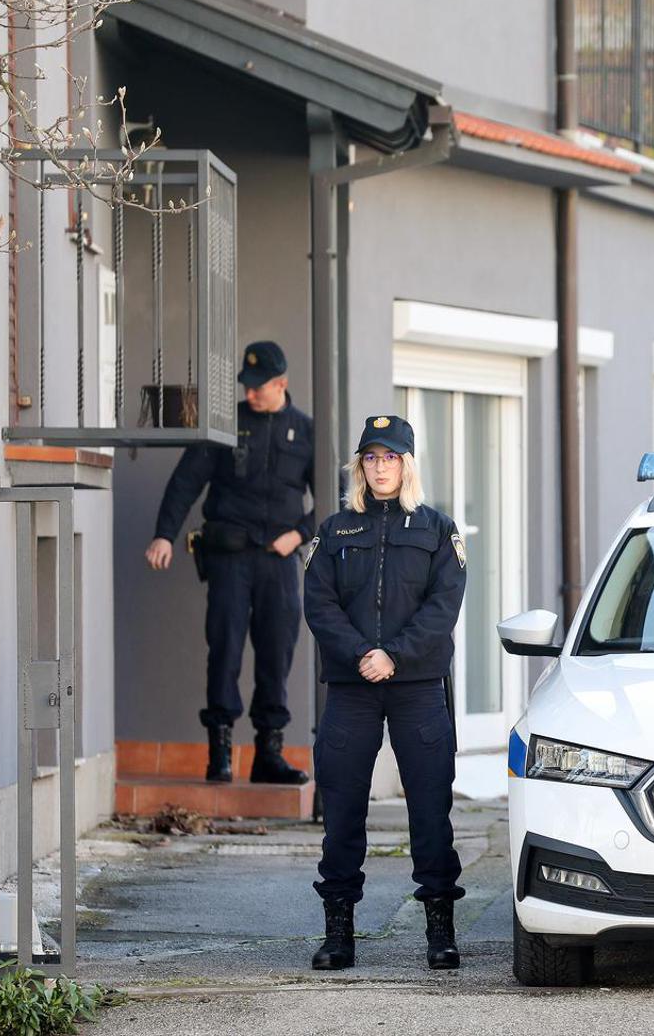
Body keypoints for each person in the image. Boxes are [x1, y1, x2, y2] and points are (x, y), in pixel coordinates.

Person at [303, 414, 468, 971]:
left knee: (430, 809)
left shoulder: (439, 530)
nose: (380, 468)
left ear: (408, 465)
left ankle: (440, 932)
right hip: (352, 689)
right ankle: (338, 933)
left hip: (417, 688)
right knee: (343, 811)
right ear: (360, 466)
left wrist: (393, 654)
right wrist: (360, 656)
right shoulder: (334, 530)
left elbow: (443, 608)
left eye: (390, 458)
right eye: (371, 458)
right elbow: (318, 604)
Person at [145, 341, 313, 788]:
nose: (251, 393)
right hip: (230, 559)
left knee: (277, 655)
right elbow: (185, 482)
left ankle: (268, 754)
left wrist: (298, 534)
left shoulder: (307, 431)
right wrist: (164, 533)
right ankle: (219, 753)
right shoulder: (226, 425)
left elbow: (338, 499)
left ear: (282, 383)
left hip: (278, 563)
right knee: (225, 651)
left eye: (260, 386)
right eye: (248, 385)